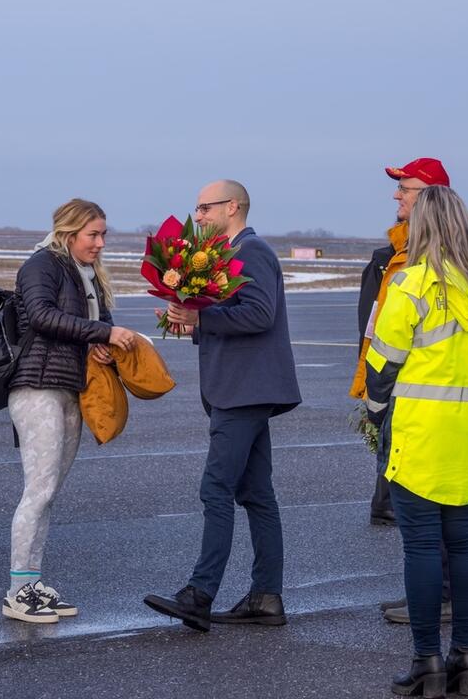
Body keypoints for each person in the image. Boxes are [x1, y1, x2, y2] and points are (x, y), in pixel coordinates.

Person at [365, 186, 468, 697]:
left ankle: (426, 660)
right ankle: (465, 658)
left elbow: (381, 364)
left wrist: (375, 415)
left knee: (423, 546)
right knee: (465, 541)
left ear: (421, 228)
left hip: (420, 431)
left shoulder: (411, 285)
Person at [142, 180, 301, 632]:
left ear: (232, 207)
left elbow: (260, 314)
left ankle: (200, 593)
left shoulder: (251, 251)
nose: (198, 217)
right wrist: (191, 321)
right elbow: (232, 316)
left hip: (243, 390)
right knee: (256, 494)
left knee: (216, 489)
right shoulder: (224, 254)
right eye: (197, 209)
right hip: (243, 388)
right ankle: (266, 597)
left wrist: (202, 316)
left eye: (205, 208)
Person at [2, 198, 138, 623]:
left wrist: (103, 342)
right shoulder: (42, 265)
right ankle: (17, 592)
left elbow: (98, 324)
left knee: (49, 492)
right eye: (92, 235)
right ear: (68, 232)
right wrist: (102, 332)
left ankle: (32, 582)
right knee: (38, 490)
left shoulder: (87, 275)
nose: (100, 243)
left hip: (71, 388)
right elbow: (42, 316)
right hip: (37, 388)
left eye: (103, 235)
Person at [351, 158, 454, 528]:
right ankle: (387, 500)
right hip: (397, 385)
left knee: (429, 522)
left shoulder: (448, 259)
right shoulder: (389, 256)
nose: (396, 195)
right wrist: (370, 382)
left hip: (427, 389)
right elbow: (372, 326)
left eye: (404, 188)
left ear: (429, 197)